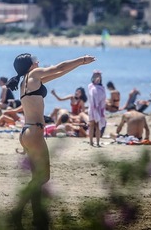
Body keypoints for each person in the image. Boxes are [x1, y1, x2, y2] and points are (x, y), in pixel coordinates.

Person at [6, 53, 95, 229]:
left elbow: (58, 73)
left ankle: (37, 218)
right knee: (43, 177)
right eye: (35, 60)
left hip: (27, 132)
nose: (38, 61)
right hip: (34, 132)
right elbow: (58, 67)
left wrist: (77, 66)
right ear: (30, 65)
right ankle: (17, 212)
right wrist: (81, 60)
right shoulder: (34, 74)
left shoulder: (26, 80)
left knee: (37, 178)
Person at [88, 70, 106, 147]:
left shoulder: (102, 88)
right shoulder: (90, 86)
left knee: (98, 126)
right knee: (91, 125)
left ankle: (98, 142)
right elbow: (91, 96)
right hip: (92, 108)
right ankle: (91, 142)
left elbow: (103, 98)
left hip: (99, 109)